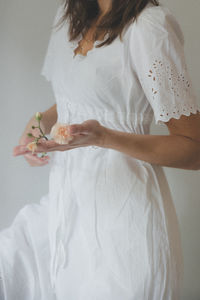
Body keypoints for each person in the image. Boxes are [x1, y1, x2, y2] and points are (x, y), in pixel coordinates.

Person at [1, 0, 200, 299]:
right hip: (62, 212)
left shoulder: (150, 26)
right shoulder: (70, 16)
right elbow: (82, 95)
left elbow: (193, 148)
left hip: (125, 230)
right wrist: (38, 121)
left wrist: (104, 137)